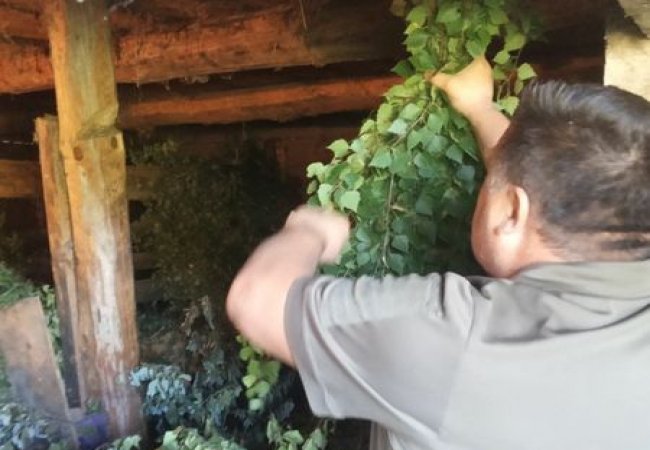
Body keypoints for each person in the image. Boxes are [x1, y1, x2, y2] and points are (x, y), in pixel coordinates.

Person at [226, 56, 650, 450]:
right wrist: (480, 109)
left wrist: (307, 232)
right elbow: (550, 188)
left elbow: (259, 300)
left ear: (512, 211)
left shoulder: (459, 341)